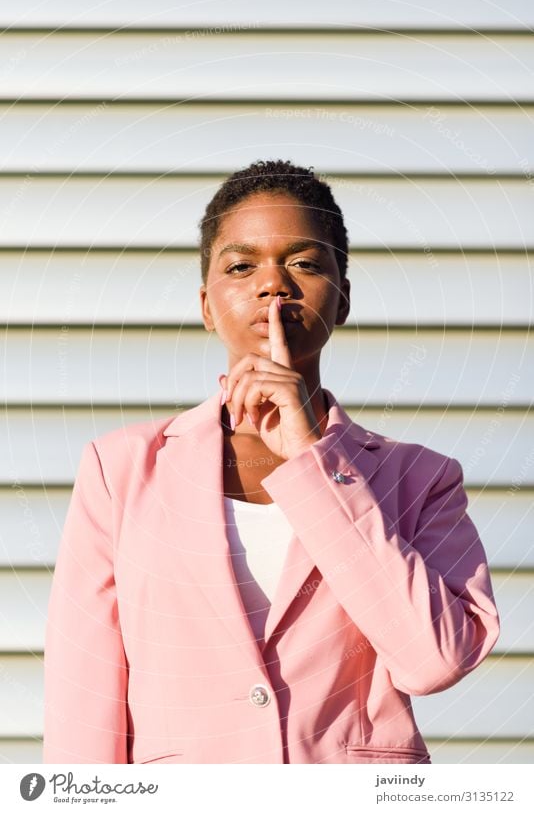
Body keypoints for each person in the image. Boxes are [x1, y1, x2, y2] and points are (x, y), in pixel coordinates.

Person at [43, 160, 499, 765]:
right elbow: (85, 698)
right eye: (241, 265)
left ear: (342, 300)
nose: (274, 284)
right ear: (208, 306)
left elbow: (434, 660)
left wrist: (315, 460)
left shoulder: (421, 478)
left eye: (305, 263)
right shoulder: (119, 470)